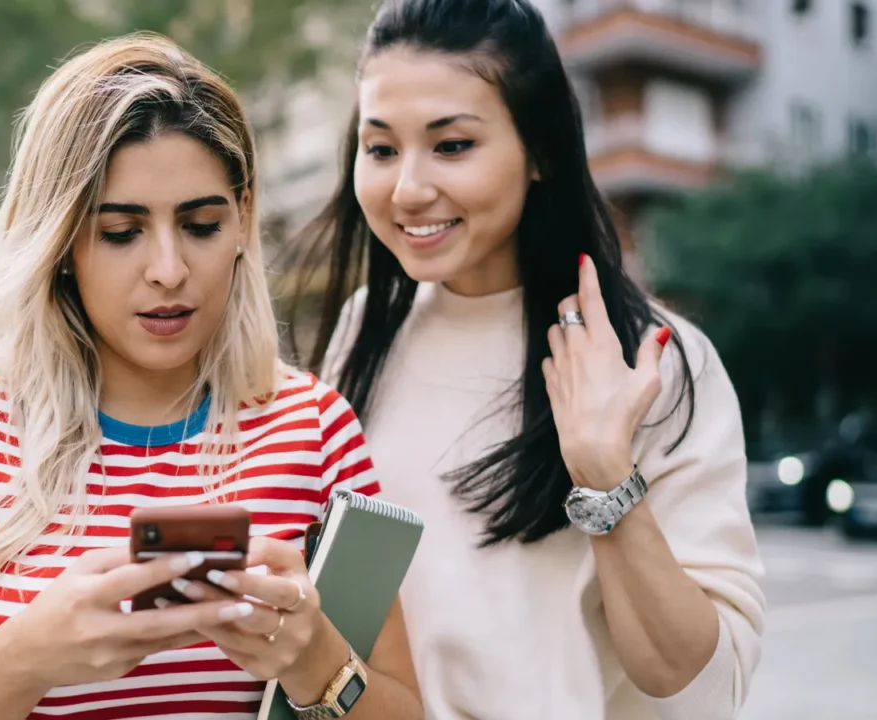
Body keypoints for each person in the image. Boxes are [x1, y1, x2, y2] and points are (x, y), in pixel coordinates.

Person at [0, 33, 422, 720]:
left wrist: (314, 659)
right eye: (121, 232)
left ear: (243, 218)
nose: (168, 271)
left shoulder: (316, 429)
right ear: (61, 240)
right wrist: (26, 658)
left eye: (201, 225)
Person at [284, 1, 765, 719]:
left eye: (452, 146)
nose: (408, 188)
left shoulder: (651, 363)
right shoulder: (360, 335)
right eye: (381, 149)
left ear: (539, 150)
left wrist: (606, 478)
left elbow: (700, 684)